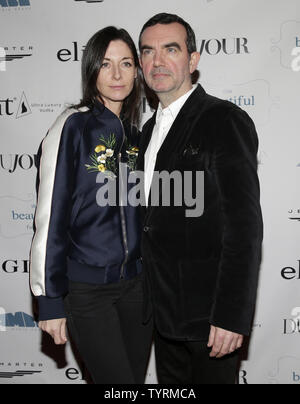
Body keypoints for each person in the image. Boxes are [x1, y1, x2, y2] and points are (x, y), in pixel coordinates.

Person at [137, 13, 263, 384]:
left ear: (192, 60)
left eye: (170, 50)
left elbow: (244, 227)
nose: (157, 61)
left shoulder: (223, 120)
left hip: (210, 320)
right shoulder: (146, 131)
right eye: (148, 51)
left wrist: (231, 315)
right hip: (161, 316)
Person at [29, 26, 153, 384]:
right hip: (88, 292)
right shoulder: (71, 127)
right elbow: (50, 218)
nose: (117, 74)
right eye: (106, 64)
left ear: (137, 71)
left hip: (137, 289)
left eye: (127, 63)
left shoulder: (135, 135)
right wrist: (50, 300)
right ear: (91, 69)